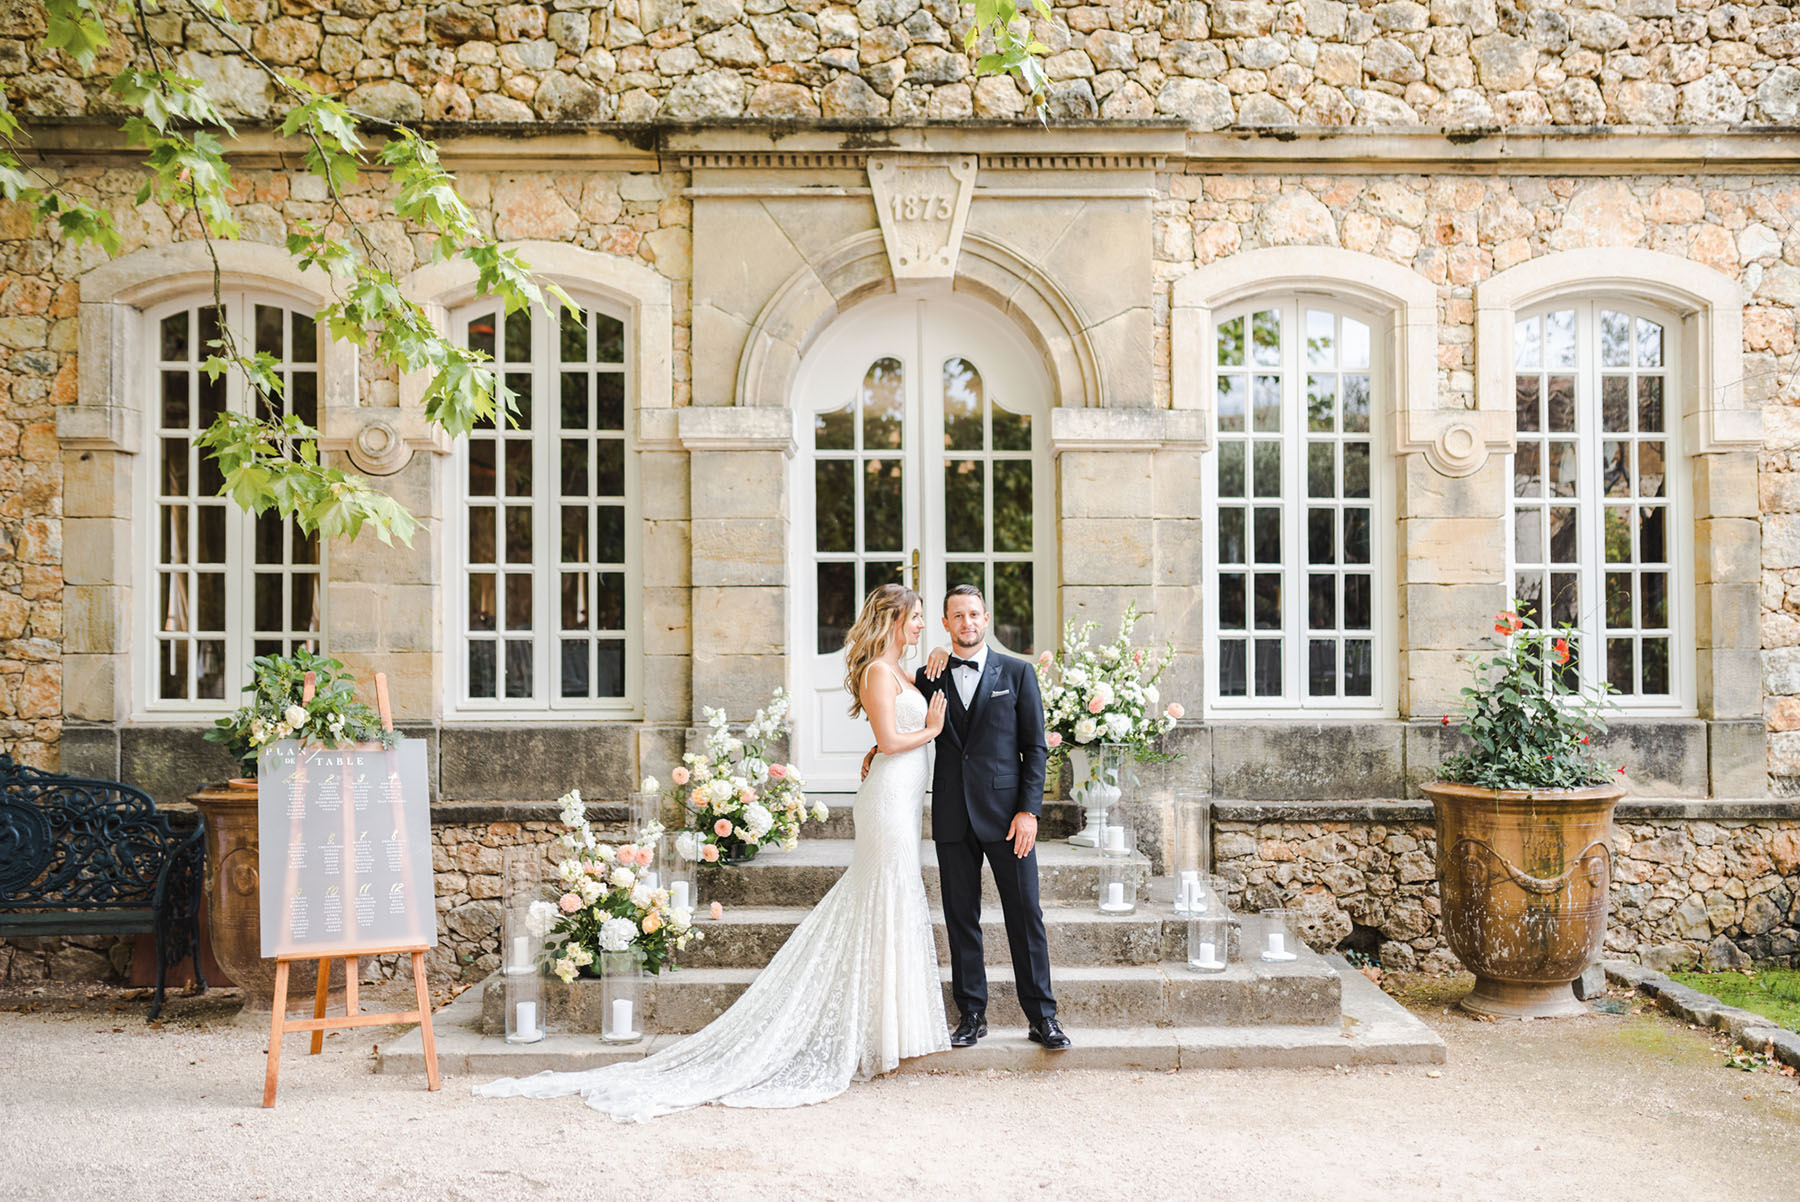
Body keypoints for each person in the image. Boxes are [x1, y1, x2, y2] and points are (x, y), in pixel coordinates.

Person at [475, 583, 949, 1121]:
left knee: (890, 898)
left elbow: (893, 728)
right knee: (883, 894)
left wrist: (927, 686)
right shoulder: (877, 672)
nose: (919, 627)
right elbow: (891, 740)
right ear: (891, 619)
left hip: (904, 795)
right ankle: (877, 1034)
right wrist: (930, 728)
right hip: (888, 798)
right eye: (914, 619)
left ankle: (888, 1027)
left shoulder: (900, 669)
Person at [867, 584, 1068, 1051]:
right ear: (945, 623)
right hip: (954, 816)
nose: (967, 623)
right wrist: (877, 748)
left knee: (1026, 916)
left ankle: (1043, 1017)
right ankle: (971, 1015)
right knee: (961, 918)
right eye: (957, 616)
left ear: (987, 617)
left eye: (974, 614)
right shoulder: (929, 674)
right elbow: (897, 718)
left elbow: (1035, 748)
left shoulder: (1017, 673)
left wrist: (1029, 812)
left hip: (1007, 818)